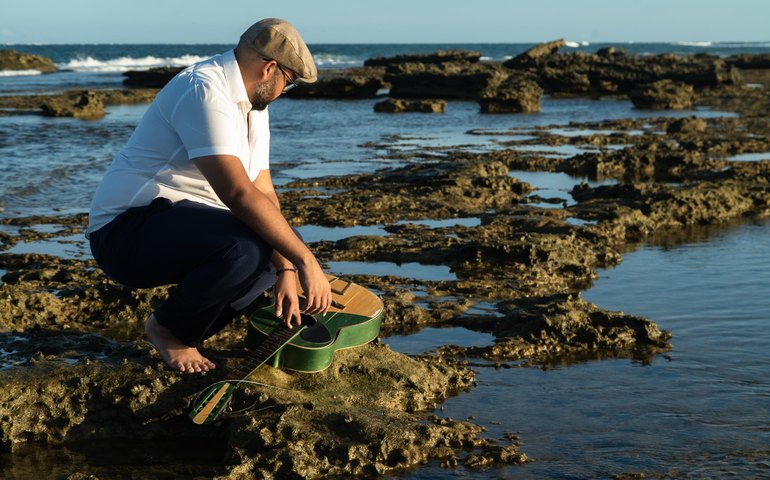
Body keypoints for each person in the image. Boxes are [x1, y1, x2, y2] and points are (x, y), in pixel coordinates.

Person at [86, 18, 331, 374]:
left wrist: (289, 267)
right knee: (245, 248)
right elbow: (237, 193)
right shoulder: (204, 89)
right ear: (269, 68)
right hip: (124, 233)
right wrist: (308, 263)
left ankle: (187, 331)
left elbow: (263, 191)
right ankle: (168, 331)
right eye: (288, 84)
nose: (283, 93)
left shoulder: (253, 107)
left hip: (177, 226)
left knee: (278, 248)